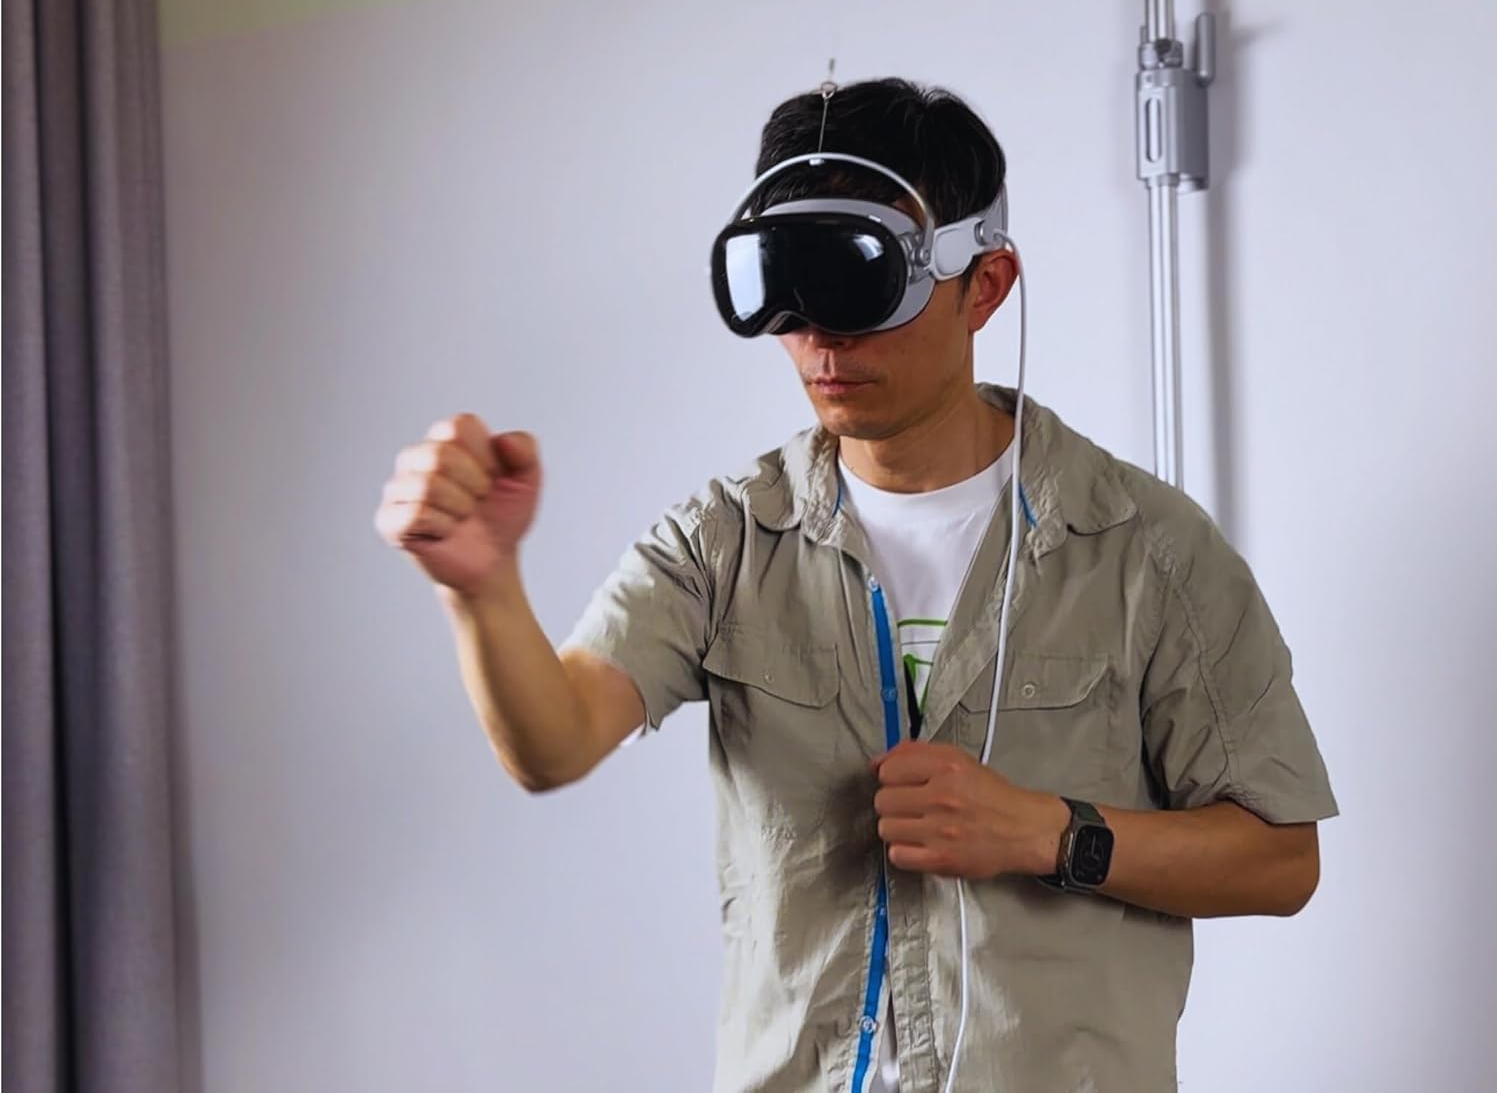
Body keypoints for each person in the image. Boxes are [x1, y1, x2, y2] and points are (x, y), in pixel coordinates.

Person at [374, 78, 1337, 1093]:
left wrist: (1044, 832)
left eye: (862, 283)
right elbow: (555, 740)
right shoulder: (726, 541)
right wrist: (481, 589)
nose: (822, 341)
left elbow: (1279, 859)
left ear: (985, 285)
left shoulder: (1147, 549)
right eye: (787, 291)